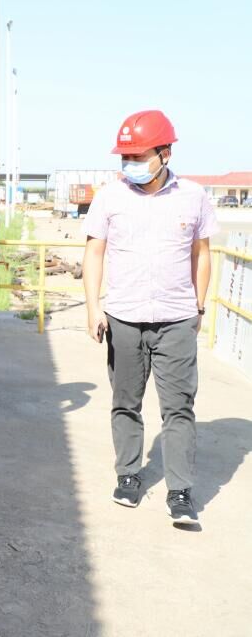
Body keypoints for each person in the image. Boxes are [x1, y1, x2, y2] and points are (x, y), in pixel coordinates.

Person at [82, 110, 216, 526]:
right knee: (125, 402)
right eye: (125, 156)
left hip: (176, 319)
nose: (130, 164)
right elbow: (94, 252)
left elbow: (202, 254)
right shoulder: (110, 197)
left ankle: (180, 491)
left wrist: (198, 306)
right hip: (123, 317)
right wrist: (92, 307)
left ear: (165, 153)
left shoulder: (193, 196)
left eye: (138, 156)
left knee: (179, 408)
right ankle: (128, 475)